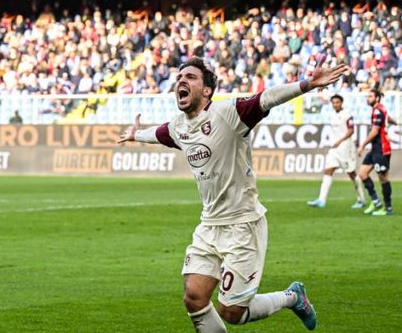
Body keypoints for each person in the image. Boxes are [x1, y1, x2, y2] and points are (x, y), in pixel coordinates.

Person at [119, 56, 347, 332]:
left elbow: (266, 99)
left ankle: (293, 297)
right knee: (194, 298)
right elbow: (160, 134)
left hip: (243, 224)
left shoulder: (228, 113)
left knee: (232, 311)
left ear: (206, 91)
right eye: (180, 77)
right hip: (209, 225)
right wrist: (136, 135)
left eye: (190, 77)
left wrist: (307, 84)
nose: (181, 80)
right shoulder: (179, 126)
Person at [307, 94, 366, 208]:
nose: (335, 104)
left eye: (337, 102)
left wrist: (340, 141)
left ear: (341, 103)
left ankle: (361, 199)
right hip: (335, 149)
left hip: (345, 148)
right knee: (328, 170)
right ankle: (321, 200)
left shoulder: (347, 114)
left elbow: (351, 130)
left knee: (351, 173)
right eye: (333, 102)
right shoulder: (332, 115)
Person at [357, 89, 395, 216]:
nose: (368, 98)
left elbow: (374, 131)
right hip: (375, 149)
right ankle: (376, 201)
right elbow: (388, 118)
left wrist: (362, 145)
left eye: (370, 96)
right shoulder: (381, 109)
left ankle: (388, 208)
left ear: (377, 98)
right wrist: (395, 123)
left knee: (383, 178)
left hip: (381, 149)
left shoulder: (377, 111)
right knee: (362, 173)